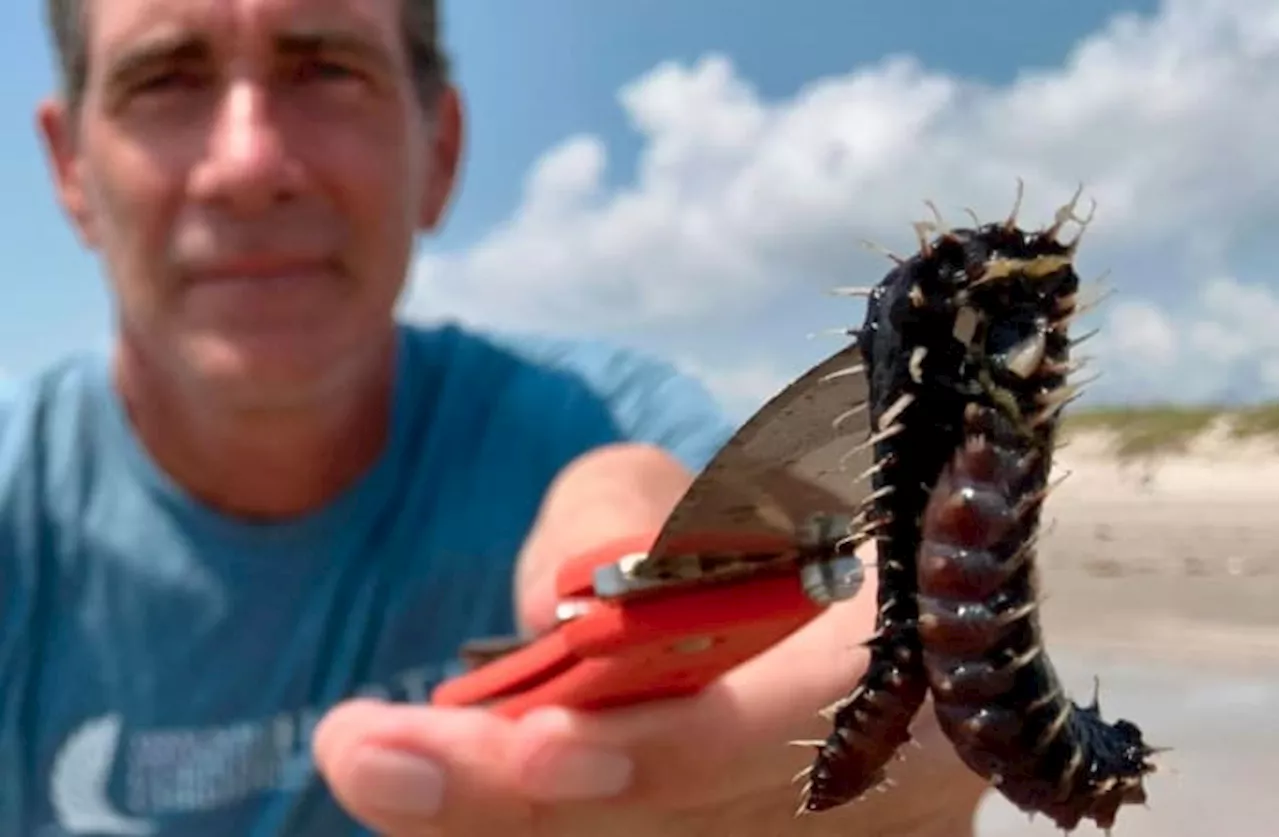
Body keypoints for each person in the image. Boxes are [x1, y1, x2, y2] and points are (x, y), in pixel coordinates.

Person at [0, 0, 991, 834]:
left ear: (439, 150)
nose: (250, 161)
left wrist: (909, 718)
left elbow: (861, 615)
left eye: (327, 68)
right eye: (165, 79)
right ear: (69, 166)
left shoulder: (608, 416)